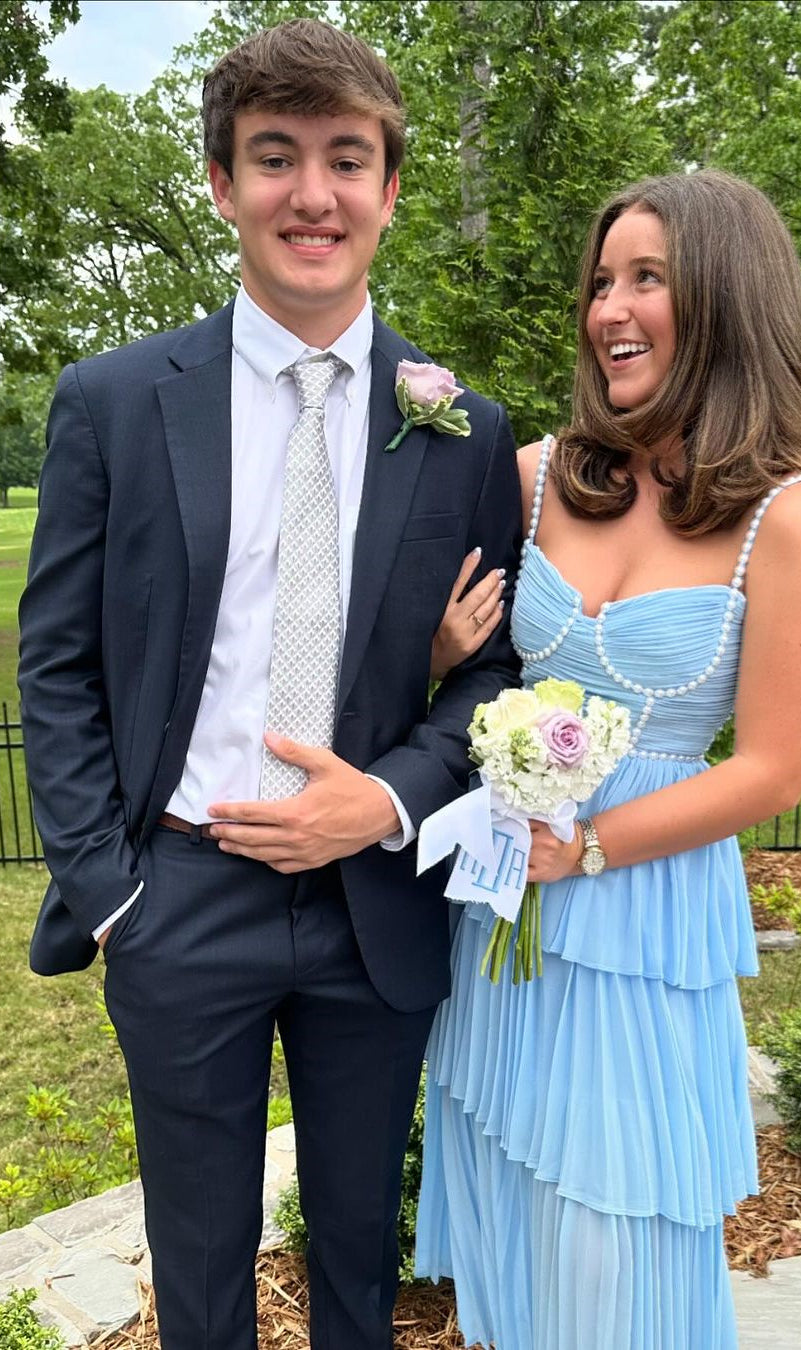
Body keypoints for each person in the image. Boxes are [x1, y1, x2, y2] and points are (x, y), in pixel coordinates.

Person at [17, 18, 521, 1350]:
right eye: (277, 156)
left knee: (361, 1257)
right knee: (201, 1269)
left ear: (391, 189)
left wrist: (394, 801)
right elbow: (57, 664)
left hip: (374, 911)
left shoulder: (463, 427)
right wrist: (111, 891)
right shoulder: (117, 402)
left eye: (348, 159)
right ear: (222, 181)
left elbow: (499, 673)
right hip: (181, 896)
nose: (315, 193)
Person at [415, 169, 801, 1348]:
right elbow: (458, 672)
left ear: (724, 296)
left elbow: (772, 771)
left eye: (646, 278)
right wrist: (445, 655)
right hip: (506, 917)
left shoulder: (784, 516)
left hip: (644, 918)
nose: (609, 307)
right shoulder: (539, 474)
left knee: (617, 1244)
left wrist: (589, 848)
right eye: (602, 281)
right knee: (508, 1199)